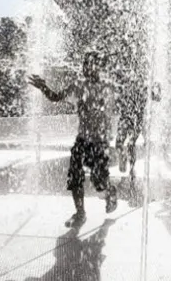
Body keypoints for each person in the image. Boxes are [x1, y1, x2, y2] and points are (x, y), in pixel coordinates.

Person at [28, 51, 118, 227]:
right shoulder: (78, 85)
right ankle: (80, 213)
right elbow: (55, 97)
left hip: (100, 142)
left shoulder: (107, 86)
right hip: (82, 140)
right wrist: (43, 87)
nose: (86, 67)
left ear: (98, 67)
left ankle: (109, 191)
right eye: (85, 64)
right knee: (75, 175)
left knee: (98, 181)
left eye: (91, 64)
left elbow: (117, 106)